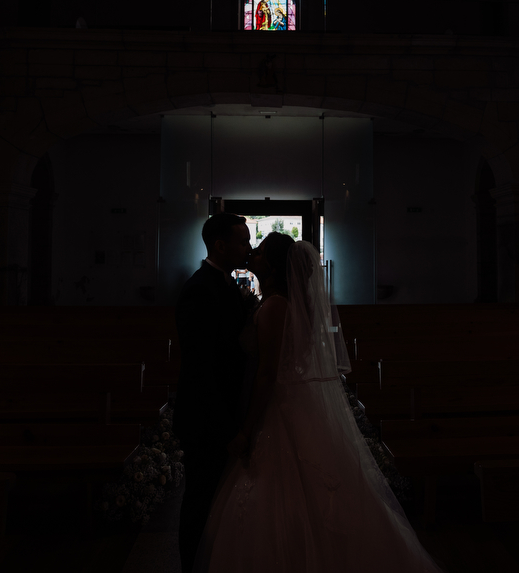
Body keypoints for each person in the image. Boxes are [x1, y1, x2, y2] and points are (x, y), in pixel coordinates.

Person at [194, 234, 444, 572]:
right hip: (293, 402)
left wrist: (247, 429)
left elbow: (267, 375)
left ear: (273, 266)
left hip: (278, 407)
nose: (253, 252)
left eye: (261, 251)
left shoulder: (275, 306)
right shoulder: (282, 303)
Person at [173, 213, 255, 573]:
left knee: (216, 503)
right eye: (243, 241)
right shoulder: (200, 290)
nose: (248, 247)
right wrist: (227, 430)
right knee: (200, 503)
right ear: (220, 245)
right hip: (207, 422)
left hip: (222, 416)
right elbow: (200, 370)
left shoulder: (223, 283)